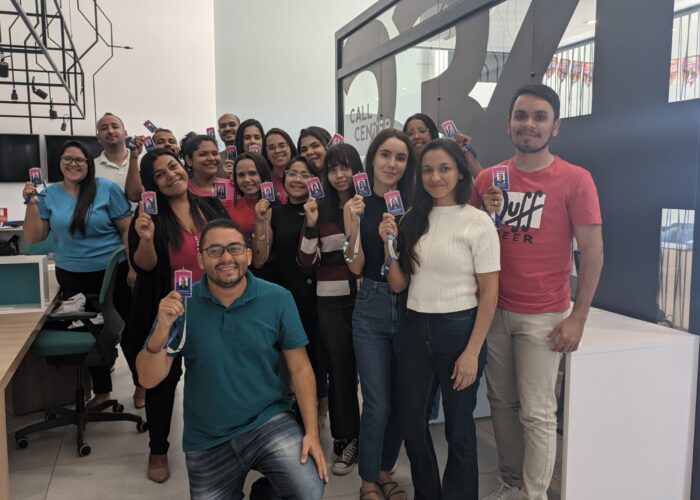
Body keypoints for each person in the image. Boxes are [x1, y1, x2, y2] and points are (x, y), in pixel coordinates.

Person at [473, 84, 604, 500]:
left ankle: (534, 495)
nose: (529, 124)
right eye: (521, 116)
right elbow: (469, 240)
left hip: (544, 315)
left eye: (539, 117)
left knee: (537, 412)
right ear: (508, 123)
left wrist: (578, 317)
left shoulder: (576, 180)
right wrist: (483, 212)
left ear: (555, 126)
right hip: (493, 311)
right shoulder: (487, 179)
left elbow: (593, 252)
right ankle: (510, 482)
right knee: (501, 404)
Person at [136, 218, 327, 499]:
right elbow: (148, 379)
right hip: (208, 436)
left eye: (234, 248)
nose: (226, 258)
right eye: (215, 250)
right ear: (201, 260)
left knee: (308, 490)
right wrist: (162, 329)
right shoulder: (182, 305)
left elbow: (300, 369)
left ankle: (265, 493)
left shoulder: (277, 298)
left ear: (248, 255)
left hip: (268, 420)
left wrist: (311, 433)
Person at [383, 139, 500, 499]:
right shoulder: (411, 219)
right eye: (428, 170)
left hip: (459, 332)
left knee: (459, 429)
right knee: (412, 424)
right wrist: (389, 246)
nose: (436, 177)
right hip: (414, 330)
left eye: (444, 168)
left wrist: (472, 352)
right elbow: (399, 284)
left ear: (460, 173)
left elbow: (489, 293)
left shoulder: (477, 221)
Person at [128, 148, 229, 483]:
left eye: (173, 167)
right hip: (171, 311)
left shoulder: (209, 206)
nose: (170, 175)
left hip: (212, 307)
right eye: (160, 174)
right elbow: (145, 266)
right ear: (153, 184)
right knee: (163, 381)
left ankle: (223, 440)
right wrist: (146, 239)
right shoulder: (148, 217)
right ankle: (158, 449)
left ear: (183, 167)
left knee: (214, 375)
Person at [22, 139, 134, 409]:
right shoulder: (48, 195)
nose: (73, 164)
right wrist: (31, 203)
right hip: (72, 276)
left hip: (112, 274)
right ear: (59, 163)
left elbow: (127, 230)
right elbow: (35, 237)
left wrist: (133, 267)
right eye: (67, 159)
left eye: (80, 160)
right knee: (91, 330)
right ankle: (102, 391)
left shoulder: (106, 189)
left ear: (88, 164)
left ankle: (142, 385)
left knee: (129, 329)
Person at [342, 128, 415, 500]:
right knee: (377, 403)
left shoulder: (414, 203)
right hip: (370, 304)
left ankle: (385, 471)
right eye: (385, 155)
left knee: (402, 401)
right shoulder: (357, 203)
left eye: (400, 157)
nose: (392, 164)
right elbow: (354, 266)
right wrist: (354, 224)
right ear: (372, 159)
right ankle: (368, 479)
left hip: (411, 305)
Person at [298, 143, 363, 476]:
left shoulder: (367, 203)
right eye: (333, 169)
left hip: (367, 301)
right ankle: (346, 437)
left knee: (374, 375)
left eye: (346, 167)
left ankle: (375, 436)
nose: (339, 175)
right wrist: (310, 225)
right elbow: (307, 263)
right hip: (331, 303)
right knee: (340, 372)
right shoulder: (319, 209)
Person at [252, 156, 328, 431]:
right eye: (292, 173)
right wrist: (260, 222)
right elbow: (259, 259)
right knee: (286, 360)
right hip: (284, 297)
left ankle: (318, 414)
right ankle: (287, 414)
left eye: (305, 175)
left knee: (316, 358)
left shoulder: (323, 211)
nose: (297, 179)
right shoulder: (275, 212)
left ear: (315, 181)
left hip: (317, 297)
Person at [404, 113, 482, 179]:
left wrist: (463, 150)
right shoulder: (403, 167)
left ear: (432, 134)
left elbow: (482, 181)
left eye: (422, 131)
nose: (416, 136)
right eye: (410, 134)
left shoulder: (451, 156)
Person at [125, 129, 182, 203]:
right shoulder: (146, 171)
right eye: (160, 142)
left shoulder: (189, 169)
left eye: (172, 142)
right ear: (151, 146)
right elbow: (134, 196)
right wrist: (133, 157)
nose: (167, 144)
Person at [227, 152, 273, 244]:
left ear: (263, 174)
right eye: (241, 175)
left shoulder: (278, 207)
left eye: (252, 173)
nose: (247, 180)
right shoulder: (227, 207)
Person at [183, 135, 233, 201]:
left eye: (215, 153)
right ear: (189, 160)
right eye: (203, 154)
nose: (211, 158)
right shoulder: (183, 191)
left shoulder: (233, 186)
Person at [95, 112, 130, 189]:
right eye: (104, 128)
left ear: (125, 133)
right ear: (98, 137)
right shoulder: (91, 167)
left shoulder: (142, 161)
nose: (110, 131)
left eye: (115, 127)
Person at [263, 128, 298, 204]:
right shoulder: (263, 180)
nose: (277, 151)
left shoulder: (305, 176)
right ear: (266, 154)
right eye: (271, 148)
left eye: (282, 146)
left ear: (290, 148)